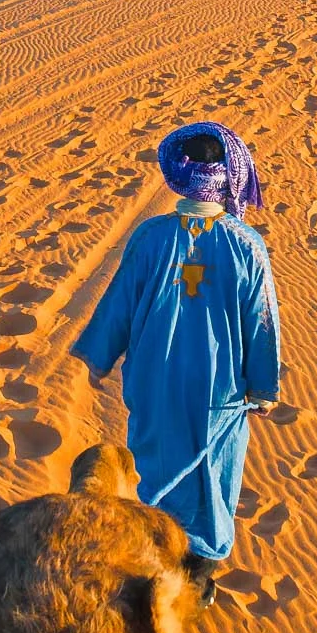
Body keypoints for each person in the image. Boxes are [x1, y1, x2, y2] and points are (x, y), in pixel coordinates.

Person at [72, 121, 281, 606]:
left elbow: (120, 302)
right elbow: (262, 319)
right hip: (219, 387)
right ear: (229, 174)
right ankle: (197, 578)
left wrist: (100, 358)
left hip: (154, 380)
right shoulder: (247, 244)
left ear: (179, 176)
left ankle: (158, 563)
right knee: (213, 474)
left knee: (155, 466)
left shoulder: (150, 237)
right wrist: (264, 386)